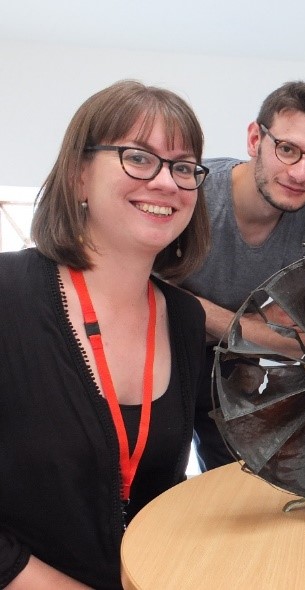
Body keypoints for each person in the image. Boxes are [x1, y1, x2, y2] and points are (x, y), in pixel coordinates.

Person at [0, 80, 213, 589]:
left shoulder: (185, 319)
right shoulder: (7, 294)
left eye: (184, 167)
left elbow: (158, 486)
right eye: (138, 158)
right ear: (79, 176)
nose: (167, 182)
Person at [179, 81, 305, 469]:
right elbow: (142, 297)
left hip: (233, 371)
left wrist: (188, 309)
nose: (300, 173)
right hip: (161, 357)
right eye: (287, 149)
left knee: (238, 481)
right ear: (255, 139)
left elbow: (295, 341)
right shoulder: (193, 192)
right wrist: (251, 328)